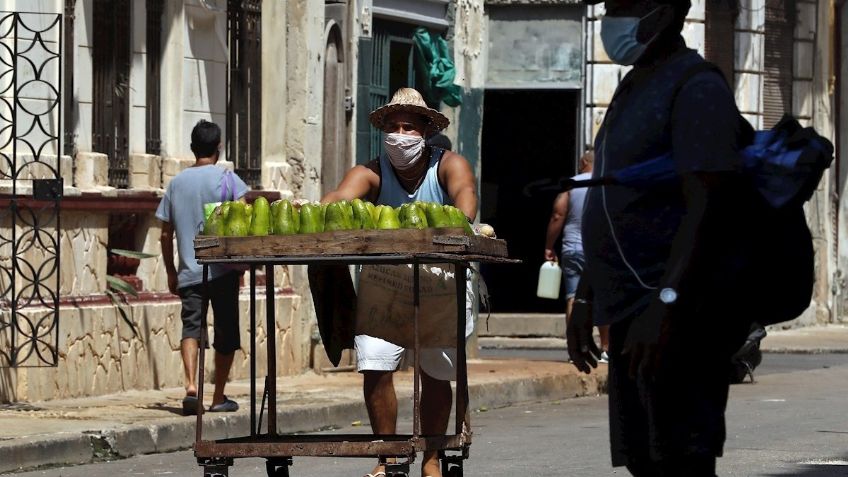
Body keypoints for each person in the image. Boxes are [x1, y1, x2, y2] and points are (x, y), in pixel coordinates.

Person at [566, 0, 755, 475]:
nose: (612, 17)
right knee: (645, 462)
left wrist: (666, 305)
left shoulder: (696, 88)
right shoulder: (634, 86)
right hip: (634, 313)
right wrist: (588, 295)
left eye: (624, 5)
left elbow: (708, 208)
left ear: (666, 11)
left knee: (681, 462)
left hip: (680, 319)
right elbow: (614, 205)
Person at [321, 87, 477, 477]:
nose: (400, 134)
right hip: (385, 276)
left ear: (425, 131)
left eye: (409, 126)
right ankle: (388, 455)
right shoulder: (369, 172)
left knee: (436, 370)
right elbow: (339, 199)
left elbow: (466, 201)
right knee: (375, 364)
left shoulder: (448, 165)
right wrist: (313, 207)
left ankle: (431, 456)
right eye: (393, 127)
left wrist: (454, 225)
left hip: (439, 274)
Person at [156, 120, 249, 416]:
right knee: (226, 332)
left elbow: (164, 233)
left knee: (191, 327)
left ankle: (190, 388)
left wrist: (172, 271)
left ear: (193, 148)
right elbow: (244, 222)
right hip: (222, 270)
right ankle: (218, 395)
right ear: (218, 148)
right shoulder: (228, 179)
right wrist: (243, 265)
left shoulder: (176, 183)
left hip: (189, 271)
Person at [543, 152, 609, 363]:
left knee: (573, 297)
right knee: (602, 297)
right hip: (600, 250)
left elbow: (557, 215)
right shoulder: (606, 183)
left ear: (583, 163)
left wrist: (549, 246)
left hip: (573, 248)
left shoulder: (572, 185)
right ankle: (606, 348)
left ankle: (577, 346)